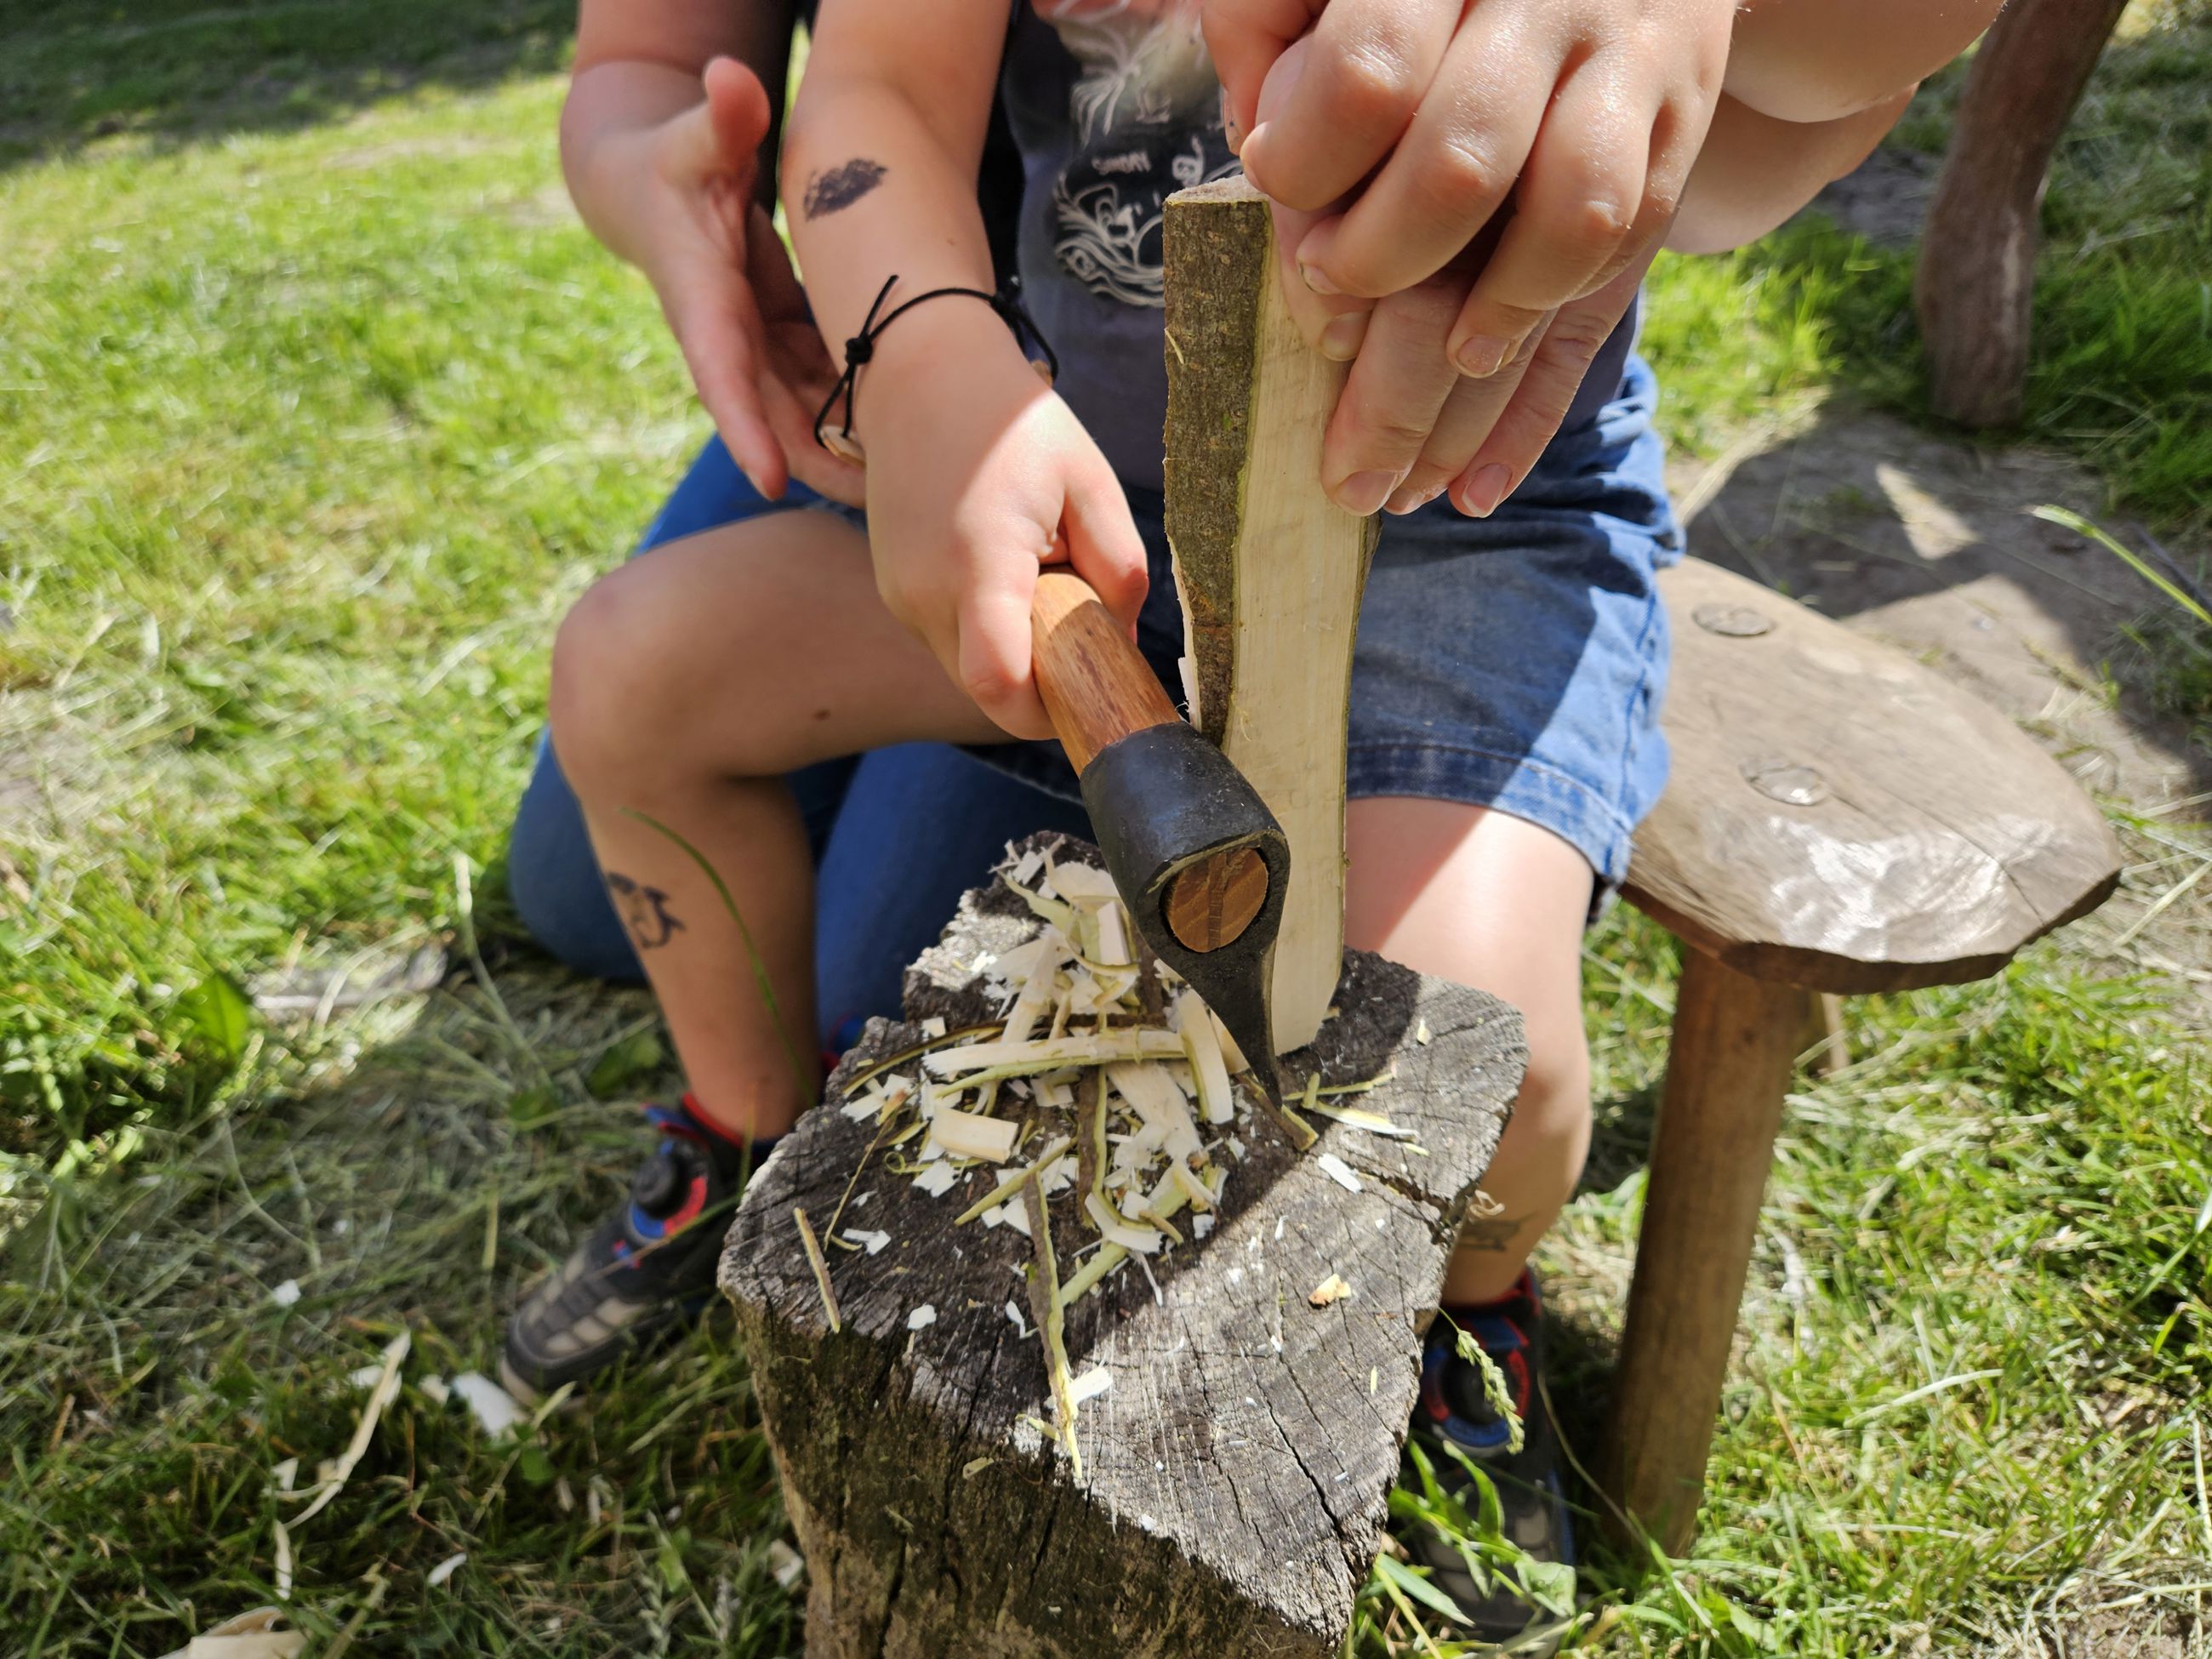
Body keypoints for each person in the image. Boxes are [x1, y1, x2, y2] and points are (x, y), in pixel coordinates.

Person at [506, 0, 2001, 1637]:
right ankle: (738, 1133)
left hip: (1458, 510)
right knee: (627, 679)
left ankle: (1464, 1321)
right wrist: (926, 337)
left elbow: (1865, 68)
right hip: (1084, 482)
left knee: (1490, 1078)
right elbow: (872, 91)